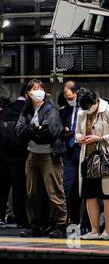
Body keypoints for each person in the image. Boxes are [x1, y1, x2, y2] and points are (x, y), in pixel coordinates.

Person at [15, 79, 67, 238]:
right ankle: (35, 225)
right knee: (32, 193)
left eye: (40, 88)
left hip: (49, 155)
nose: (37, 91)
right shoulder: (26, 109)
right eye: (34, 89)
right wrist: (35, 129)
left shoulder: (51, 108)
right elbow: (18, 131)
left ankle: (61, 225)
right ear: (28, 93)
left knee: (55, 192)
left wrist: (31, 131)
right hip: (32, 154)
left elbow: (49, 133)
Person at [76, 88, 109, 240]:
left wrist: (99, 138)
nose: (87, 109)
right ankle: (94, 230)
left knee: (108, 196)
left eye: (89, 106)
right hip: (88, 159)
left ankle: (108, 231)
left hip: (105, 158)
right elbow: (77, 131)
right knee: (89, 196)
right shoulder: (82, 111)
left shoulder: (108, 110)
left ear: (95, 100)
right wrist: (80, 138)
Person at [0, 85, 28, 228]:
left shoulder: (6, 108)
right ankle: (21, 219)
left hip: (3, 154)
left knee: (3, 188)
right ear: (28, 94)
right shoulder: (27, 109)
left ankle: (0, 218)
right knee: (19, 189)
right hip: (20, 156)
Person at [59, 81, 82, 224]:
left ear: (77, 93)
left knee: (83, 190)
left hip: (83, 151)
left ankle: (84, 222)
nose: (69, 100)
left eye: (71, 97)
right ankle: (70, 221)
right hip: (68, 152)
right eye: (67, 98)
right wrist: (64, 132)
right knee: (67, 188)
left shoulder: (86, 109)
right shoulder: (64, 111)